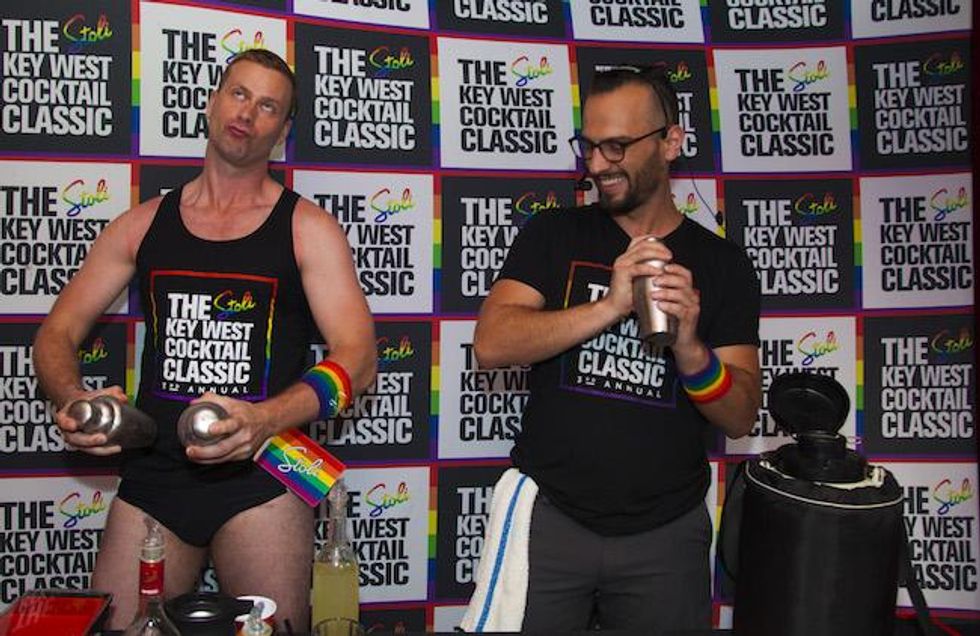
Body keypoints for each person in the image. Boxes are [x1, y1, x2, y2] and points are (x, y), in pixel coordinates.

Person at [33, 49, 376, 631]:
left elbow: (359, 359)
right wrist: (72, 399)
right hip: (157, 475)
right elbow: (56, 334)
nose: (247, 113)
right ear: (213, 103)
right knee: (118, 628)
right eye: (238, 94)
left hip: (264, 477)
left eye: (268, 106)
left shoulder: (308, 228)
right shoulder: (143, 223)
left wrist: (265, 419)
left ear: (283, 131)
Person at [471, 65, 762, 632]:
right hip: (550, 516)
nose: (598, 164)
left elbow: (741, 415)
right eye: (588, 145)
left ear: (671, 142)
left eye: (617, 146)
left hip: (667, 534)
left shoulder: (723, 264)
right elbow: (492, 343)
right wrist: (610, 305)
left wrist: (690, 348)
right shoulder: (555, 233)